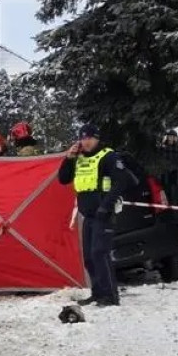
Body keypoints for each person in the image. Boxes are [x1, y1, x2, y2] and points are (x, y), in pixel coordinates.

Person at [57, 124, 135, 307]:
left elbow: (123, 180)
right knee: (89, 258)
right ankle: (98, 293)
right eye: (83, 138)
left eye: (90, 138)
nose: (86, 141)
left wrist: (105, 205)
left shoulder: (108, 156)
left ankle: (110, 296)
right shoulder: (80, 158)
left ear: (97, 138)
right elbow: (63, 179)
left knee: (100, 253)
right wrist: (68, 158)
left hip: (103, 214)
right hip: (88, 215)